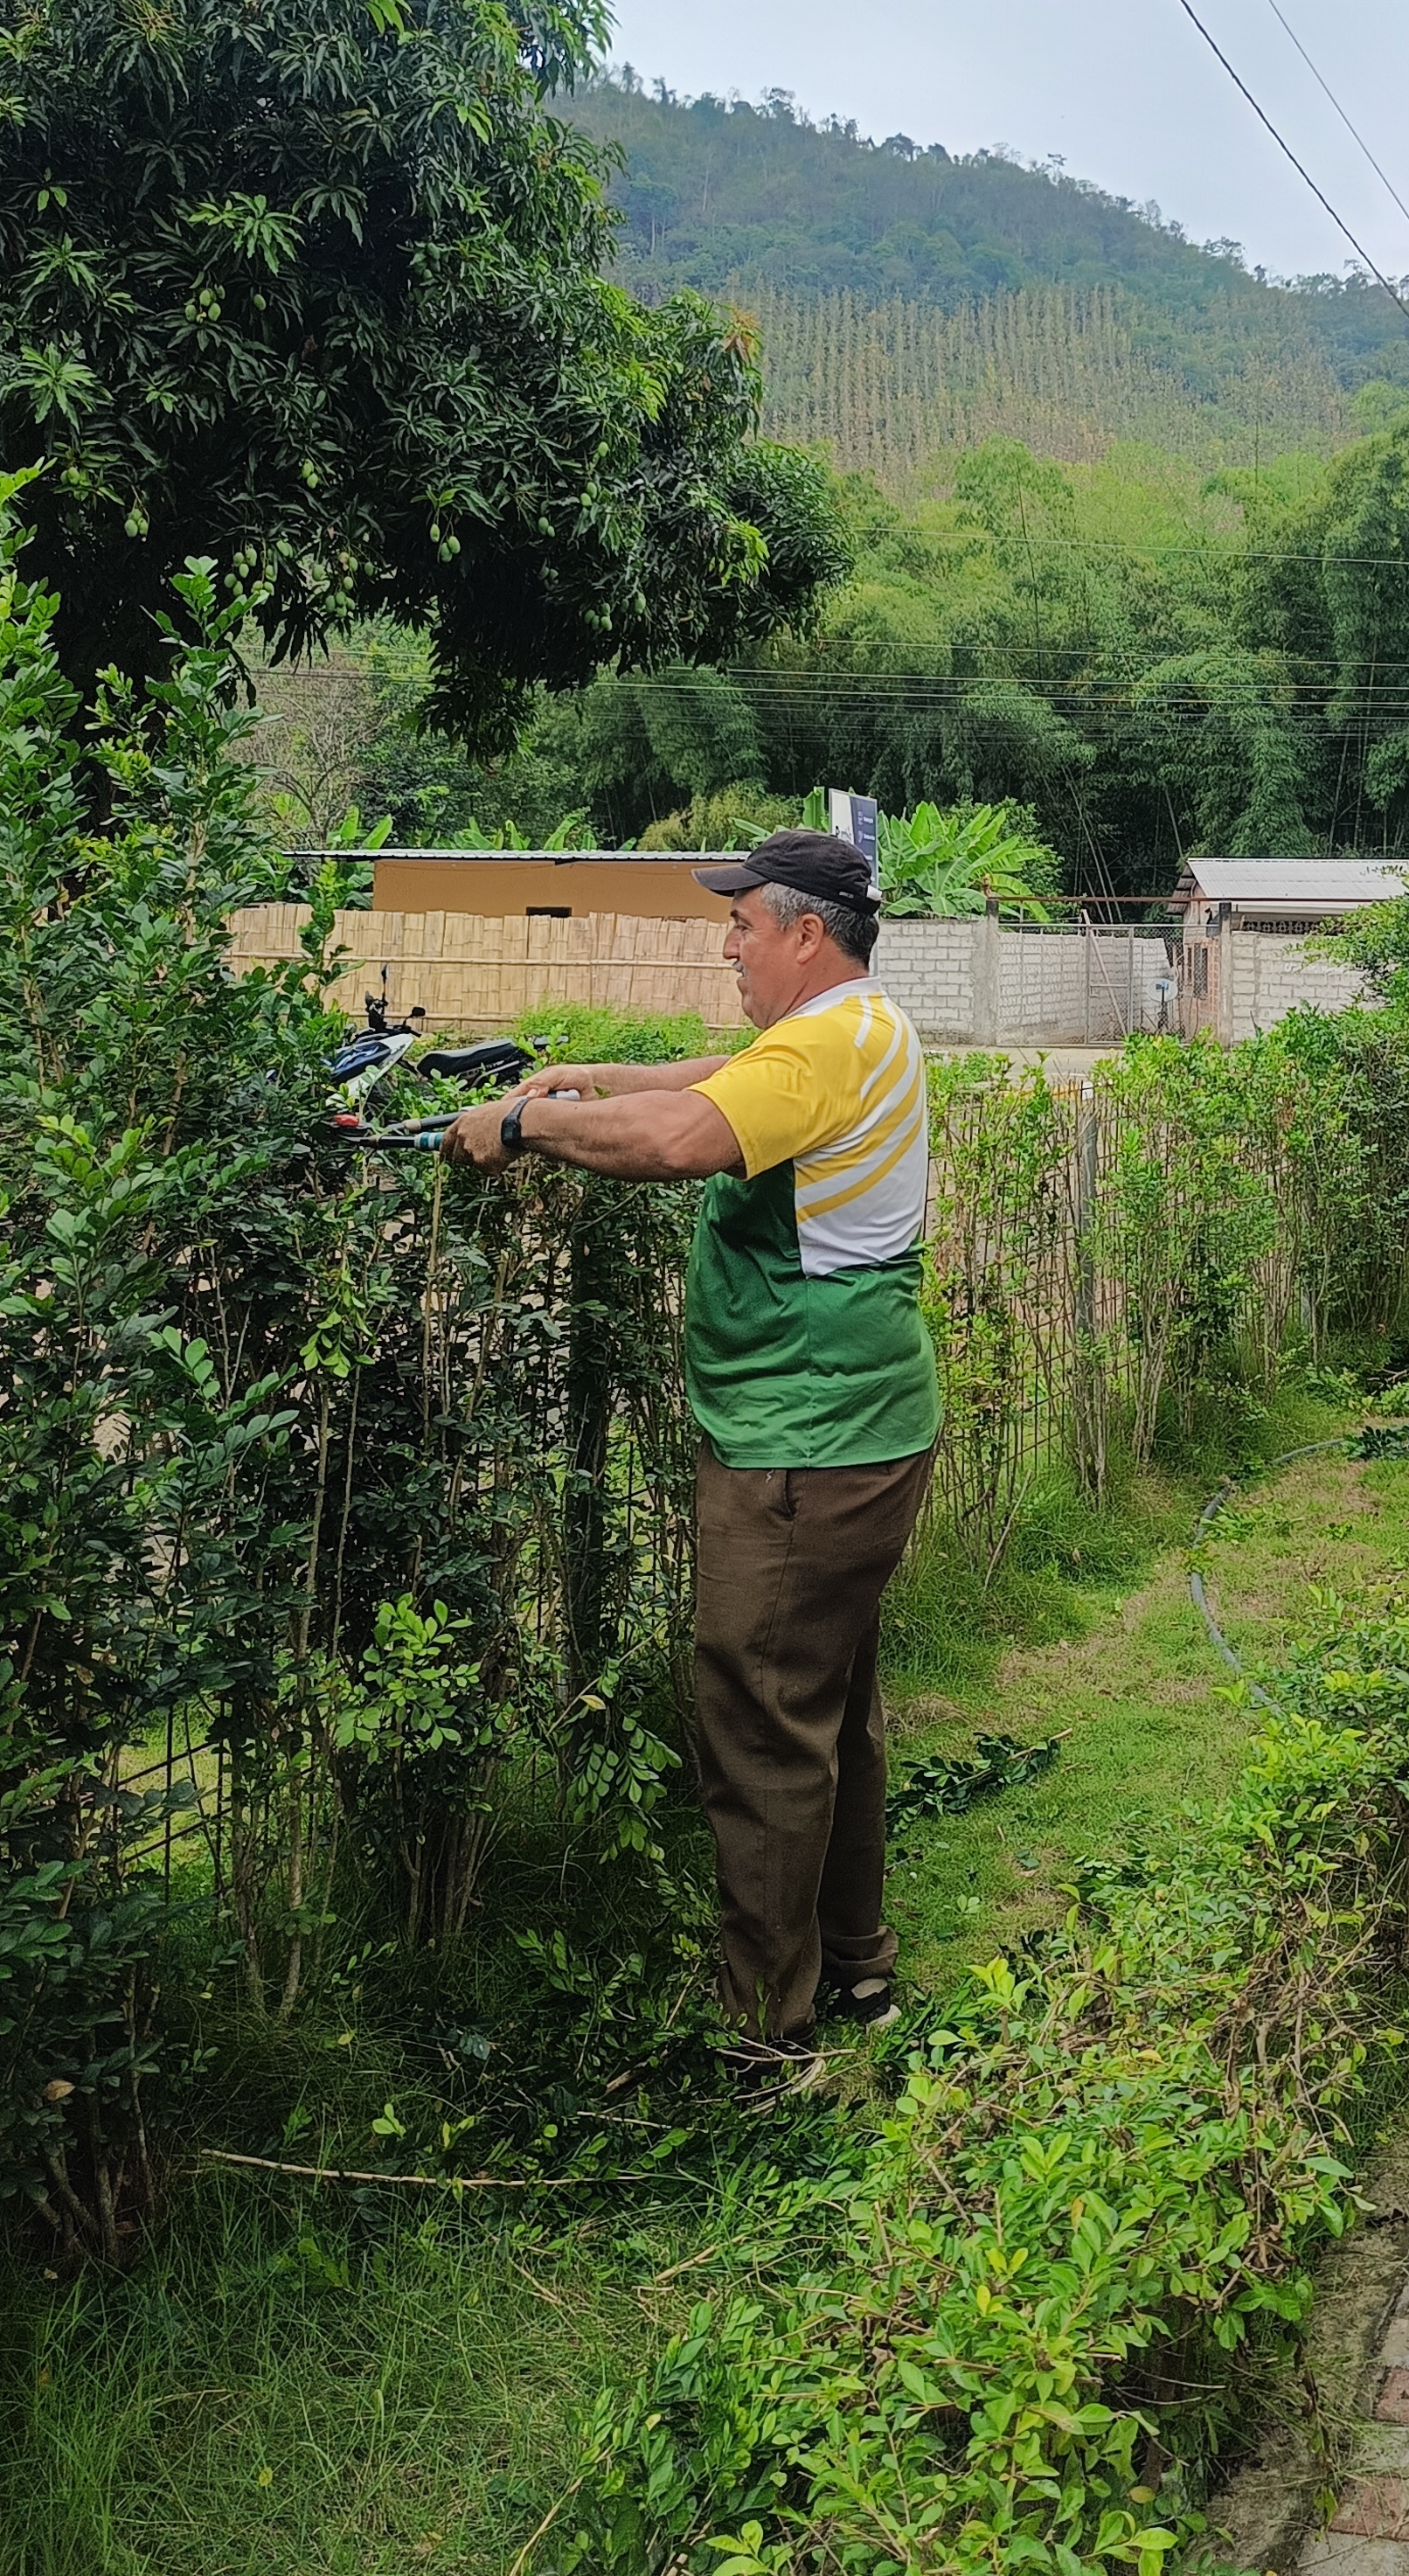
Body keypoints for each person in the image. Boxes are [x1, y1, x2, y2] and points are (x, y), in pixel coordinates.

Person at [442, 830, 937, 2090]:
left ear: (805, 934)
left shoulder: (822, 1046)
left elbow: (682, 1139)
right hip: (862, 1430)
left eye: (740, 925)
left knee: (762, 1723)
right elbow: (713, 1078)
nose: (726, 947)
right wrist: (591, 1080)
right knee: (830, 1709)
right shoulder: (861, 1026)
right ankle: (856, 1965)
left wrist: (522, 1124)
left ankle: (763, 2038)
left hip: (802, 1445)